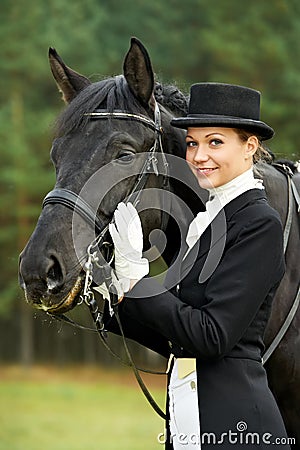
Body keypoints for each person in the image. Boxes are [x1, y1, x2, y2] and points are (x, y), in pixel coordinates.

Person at [103, 83, 290, 449]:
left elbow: (211, 336)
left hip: (237, 428)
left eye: (215, 142)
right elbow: (179, 336)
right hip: (190, 423)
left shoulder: (258, 223)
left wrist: (138, 278)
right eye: (192, 143)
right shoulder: (211, 218)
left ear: (250, 146)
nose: (199, 155)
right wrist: (114, 294)